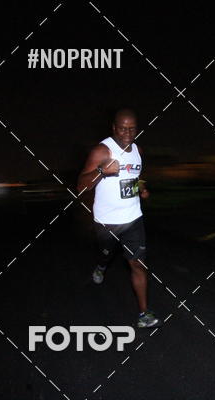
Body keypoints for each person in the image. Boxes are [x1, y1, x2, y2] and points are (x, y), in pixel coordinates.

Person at [76, 109, 162, 328]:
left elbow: (134, 176)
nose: (127, 133)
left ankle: (143, 314)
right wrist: (101, 171)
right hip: (107, 221)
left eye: (132, 129)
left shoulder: (138, 150)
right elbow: (81, 186)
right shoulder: (102, 151)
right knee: (106, 253)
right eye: (123, 128)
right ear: (114, 128)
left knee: (138, 265)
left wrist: (141, 189)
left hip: (133, 218)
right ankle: (101, 265)